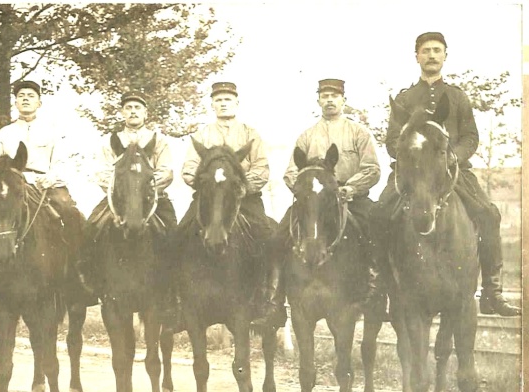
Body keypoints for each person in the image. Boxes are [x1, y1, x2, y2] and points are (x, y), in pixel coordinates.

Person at [373, 32, 520, 316]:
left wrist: (452, 157)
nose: (431, 55)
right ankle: (379, 287)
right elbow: (392, 140)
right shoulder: (403, 99)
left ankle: (492, 291)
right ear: (416, 56)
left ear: (445, 56)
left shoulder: (457, 97)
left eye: (437, 50)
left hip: (452, 171)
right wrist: (407, 153)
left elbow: (470, 137)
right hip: (412, 173)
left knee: (489, 214)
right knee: (378, 214)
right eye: (425, 50)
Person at [264, 79, 383, 318]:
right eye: (325, 95)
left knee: (378, 228)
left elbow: (372, 168)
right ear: (318, 100)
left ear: (343, 100)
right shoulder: (307, 136)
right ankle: (276, 299)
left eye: (335, 96)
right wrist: (304, 190)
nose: (330, 100)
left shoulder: (359, 133)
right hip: (314, 199)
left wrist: (350, 188)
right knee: (278, 236)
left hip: (350, 196)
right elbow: (290, 172)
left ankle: (376, 290)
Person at [180, 81, 283, 326]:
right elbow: (189, 168)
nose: (223, 103)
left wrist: (241, 188)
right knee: (179, 233)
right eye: (218, 99)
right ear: (212, 105)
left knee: (267, 236)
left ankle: (268, 300)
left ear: (236, 103)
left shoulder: (250, 134)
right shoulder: (202, 135)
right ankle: (177, 302)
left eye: (228, 99)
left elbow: (261, 168)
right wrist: (204, 184)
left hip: (243, 198)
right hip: (208, 199)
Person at [0, 80, 88, 295]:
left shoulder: (52, 131)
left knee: (70, 212)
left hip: (46, 185)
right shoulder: (4, 133)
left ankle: (77, 274)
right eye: (21, 95)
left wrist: (49, 179)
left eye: (30, 95)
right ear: (15, 102)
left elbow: (61, 162)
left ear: (39, 102)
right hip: (13, 185)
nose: (25, 98)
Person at [80, 91, 178, 301]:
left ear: (145, 113)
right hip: (118, 198)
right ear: (122, 112)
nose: (133, 112)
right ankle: (92, 283)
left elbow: (166, 171)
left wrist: (147, 189)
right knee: (91, 226)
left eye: (137, 108)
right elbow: (102, 171)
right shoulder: (112, 141)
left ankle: (172, 289)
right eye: (128, 108)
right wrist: (120, 190)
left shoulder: (157, 140)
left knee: (173, 231)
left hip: (152, 198)